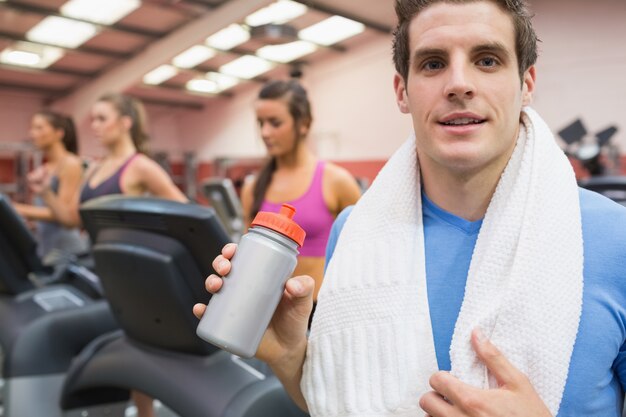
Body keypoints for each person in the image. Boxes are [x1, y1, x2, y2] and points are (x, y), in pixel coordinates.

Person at [194, 1, 626, 417]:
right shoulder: (355, 232)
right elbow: (341, 403)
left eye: (488, 60)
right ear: (402, 91)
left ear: (526, 83)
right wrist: (290, 358)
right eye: (433, 63)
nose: (459, 83)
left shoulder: (614, 240)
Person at [31, 93, 187, 417]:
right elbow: (73, 219)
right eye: (93, 120)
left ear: (125, 122)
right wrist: (45, 192)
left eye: (102, 118)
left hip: (134, 278)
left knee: (141, 359)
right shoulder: (96, 168)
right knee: (124, 359)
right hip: (99, 272)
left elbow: (184, 213)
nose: (95, 126)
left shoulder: (140, 166)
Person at [240, 79, 361, 302]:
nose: (265, 132)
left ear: (303, 123)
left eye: (275, 123)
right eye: (261, 123)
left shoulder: (336, 181)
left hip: (320, 308)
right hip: (268, 309)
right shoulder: (253, 188)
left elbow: (364, 250)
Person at [12, 110, 88, 263]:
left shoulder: (70, 164)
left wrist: (15, 209)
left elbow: (65, 215)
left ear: (59, 133)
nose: (32, 133)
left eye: (39, 128)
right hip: (47, 248)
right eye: (32, 128)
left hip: (66, 252)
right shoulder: (46, 168)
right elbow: (44, 212)